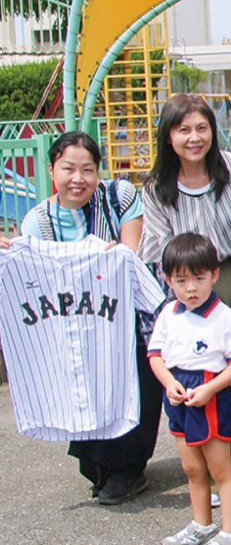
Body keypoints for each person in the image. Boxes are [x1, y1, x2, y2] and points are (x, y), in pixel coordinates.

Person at [19, 131, 162, 504]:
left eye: (87, 169)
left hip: (125, 317)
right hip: (75, 324)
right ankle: (100, 467)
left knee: (133, 385)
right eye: (68, 168)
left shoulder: (119, 197)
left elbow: (130, 255)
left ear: (99, 171)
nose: (77, 178)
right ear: (52, 170)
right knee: (85, 391)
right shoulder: (38, 221)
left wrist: (113, 256)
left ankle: (129, 468)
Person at [142, 93, 231, 504]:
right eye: (183, 130)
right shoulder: (157, 187)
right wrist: (180, 292)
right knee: (198, 377)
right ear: (168, 136)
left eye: (202, 128)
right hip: (190, 288)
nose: (194, 137)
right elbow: (160, 246)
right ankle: (216, 476)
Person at [148, 233, 231, 545]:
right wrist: (169, 383)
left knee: (221, 470)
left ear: (214, 275)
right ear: (167, 280)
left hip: (210, 395)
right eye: (181, 280)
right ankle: (202, 524)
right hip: (179, 394)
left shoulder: (225, 317)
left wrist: (210, 389)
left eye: (199, 278)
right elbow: (155, 355)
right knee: (191, 468)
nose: (190, 288)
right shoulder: (168, 313)